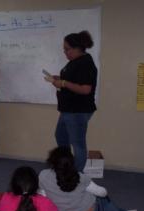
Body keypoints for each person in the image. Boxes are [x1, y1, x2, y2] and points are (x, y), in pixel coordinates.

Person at [39, 146, 144, 211]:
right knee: (102, 199)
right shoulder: (79, 177)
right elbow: (103, 192)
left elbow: (42, 196)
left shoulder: (42, 175)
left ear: (51, 161)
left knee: (92, 198)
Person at [45, 30, 97, 172]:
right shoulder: (75, 62)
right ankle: (66, 166)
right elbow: (72, 80)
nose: (65, 52)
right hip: (68, 109)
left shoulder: (85, 63)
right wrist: (58, 79)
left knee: (78, 144)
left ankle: (77, 176)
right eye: (64, 49)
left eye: (67, 49)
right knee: (61, 136)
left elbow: (86, 89)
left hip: (78, 110)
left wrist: (63, 83)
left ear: (77, 49)